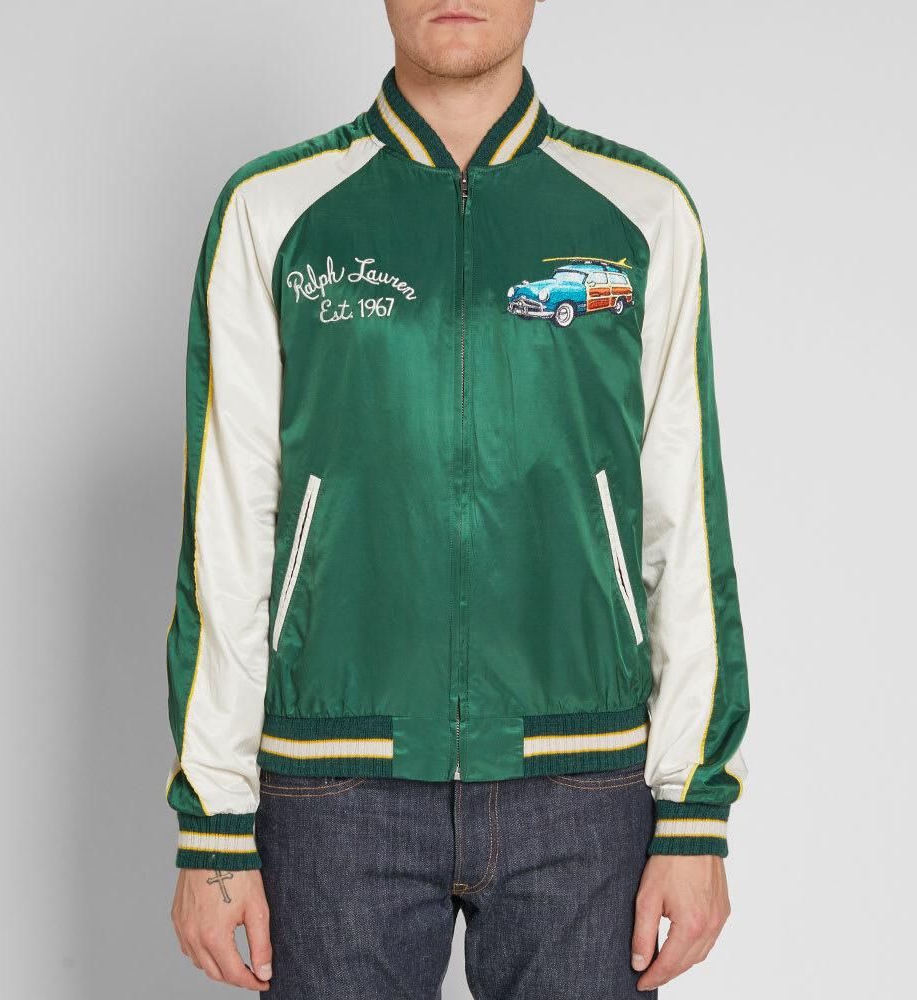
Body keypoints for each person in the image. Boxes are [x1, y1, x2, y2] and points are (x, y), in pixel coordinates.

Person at [165, 2, 750, 996]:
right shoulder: (275, 210)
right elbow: (224, 528)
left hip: (583, 779)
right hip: (332, 781)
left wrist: (693, 811)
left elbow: (684, 524)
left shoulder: (641, 213)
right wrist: (214, 823)